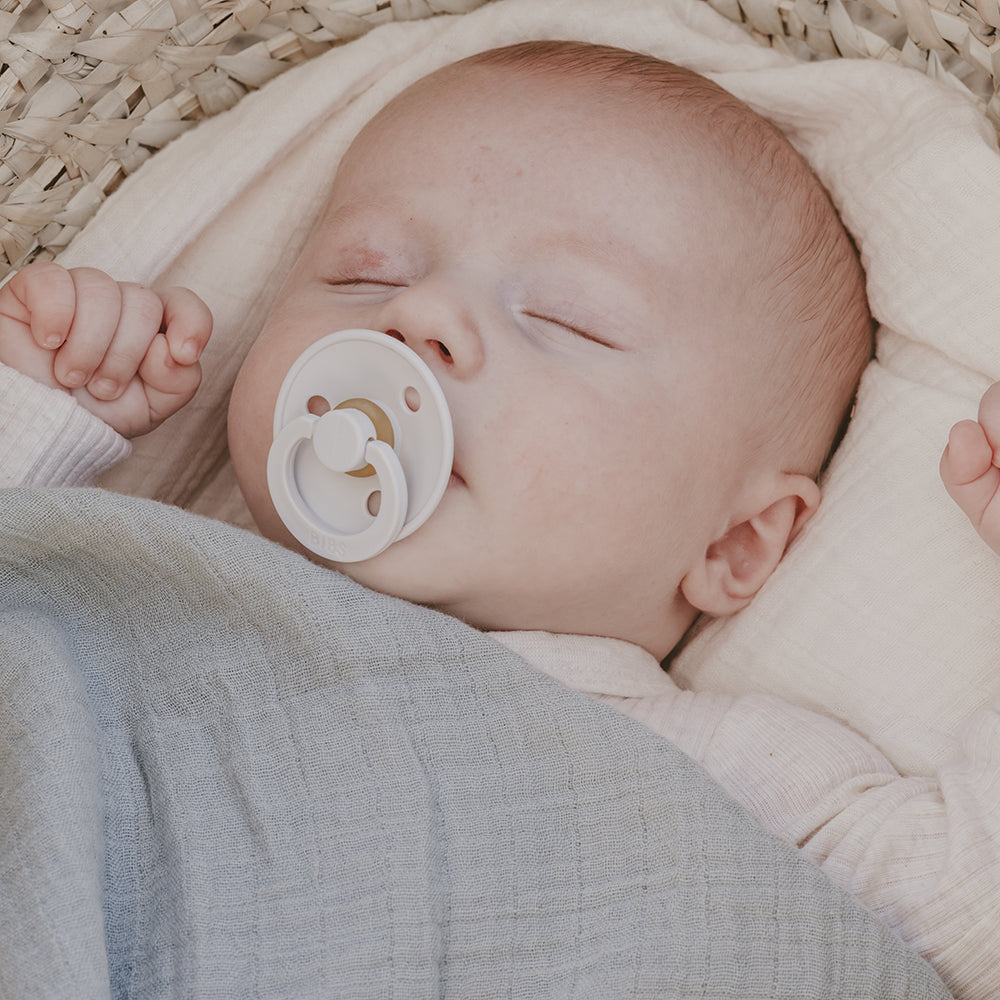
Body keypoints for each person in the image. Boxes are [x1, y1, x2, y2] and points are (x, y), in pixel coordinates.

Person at [0, 41, 996, 998]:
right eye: (364, 275)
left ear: (732, 542)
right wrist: (41, 409)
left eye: (564, 319)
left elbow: (968, 915)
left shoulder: (732, 767)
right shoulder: (160, 580)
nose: (418, 313)